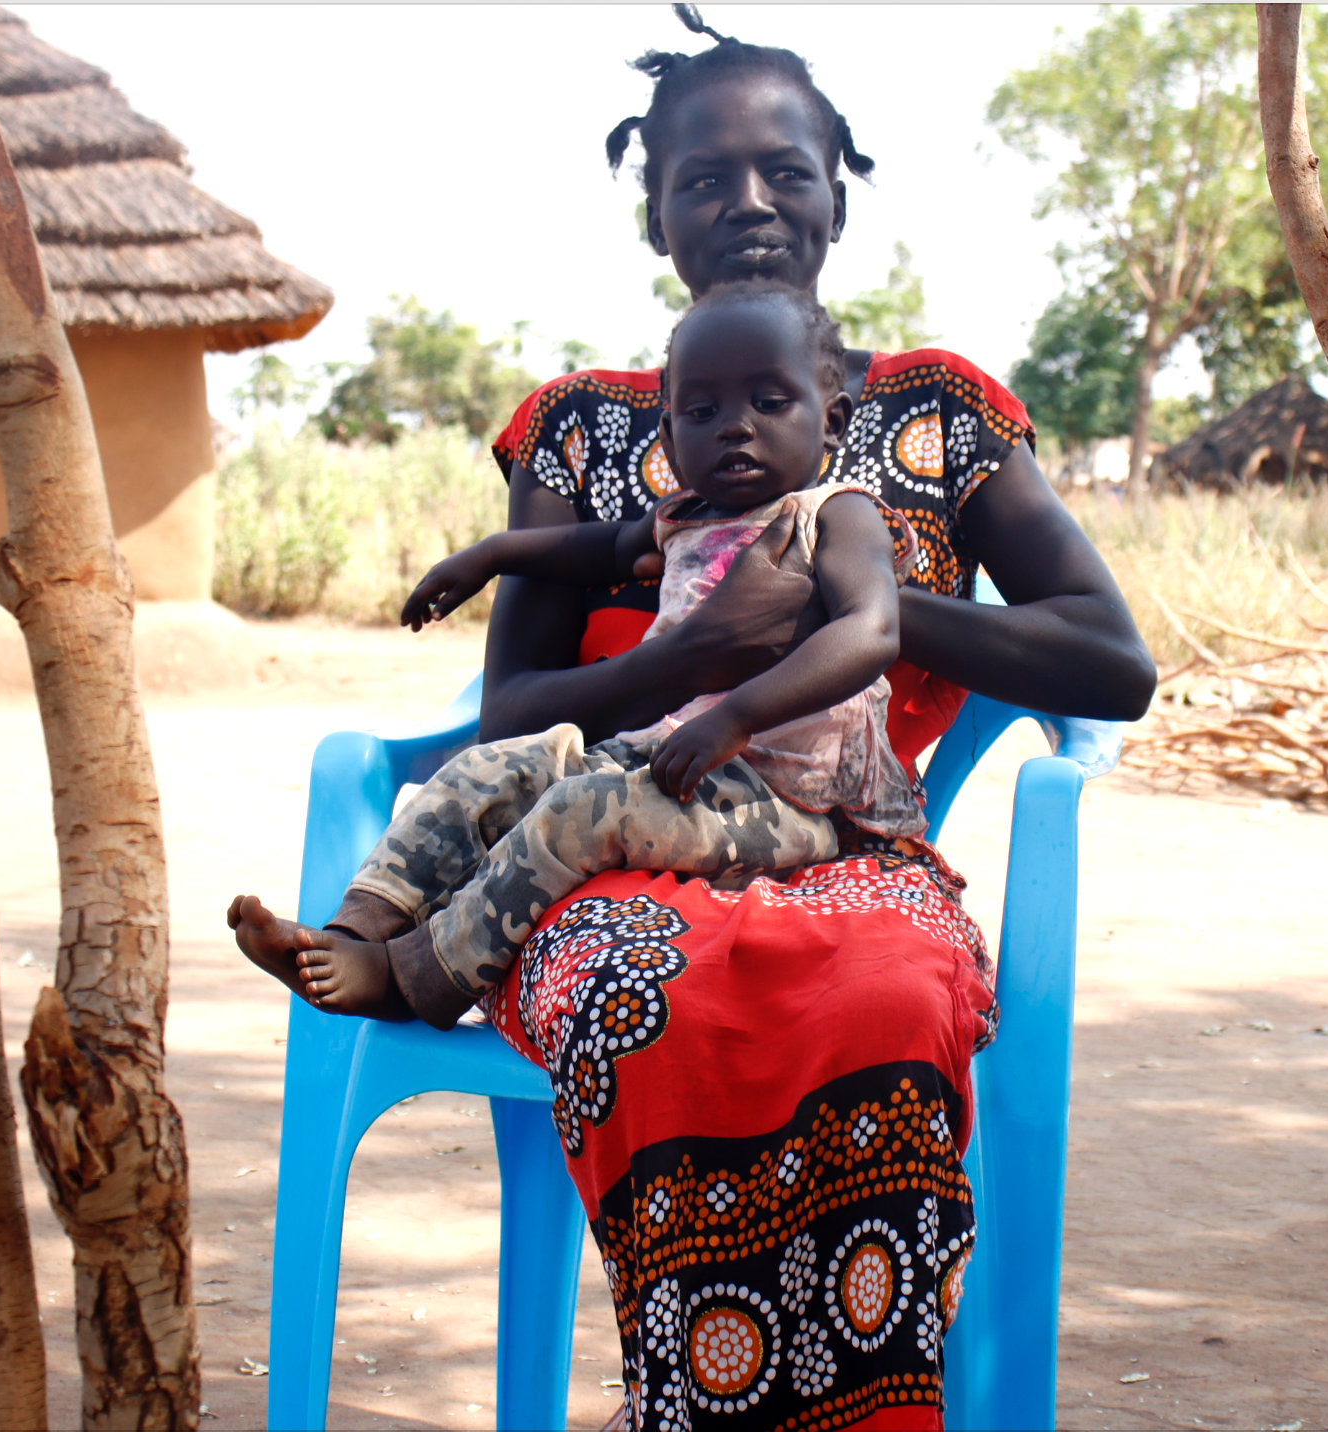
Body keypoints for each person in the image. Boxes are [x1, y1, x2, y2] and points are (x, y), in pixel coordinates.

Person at [238, 9, 1153, 1427]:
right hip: (593, 850)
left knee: (887, 990)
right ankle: (699, 1388)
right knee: (633, 983)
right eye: (703, 180)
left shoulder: (933, 417)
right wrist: (691, 661)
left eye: (784, 171)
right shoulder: (602, 427)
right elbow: (510, 712)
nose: (748, 205)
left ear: (838, 190)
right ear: (654, 213)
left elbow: (1110, 662)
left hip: (836, 842)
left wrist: (878, 618)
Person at [230, 283, 931, 1023]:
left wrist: (737, 719)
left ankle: (413, 979)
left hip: (795, 802)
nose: (736, 428)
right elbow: (593, 546)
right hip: (676, 767)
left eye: (769, 402)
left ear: (833, 421)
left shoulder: (841, 516)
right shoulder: (686, 518)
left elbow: (870, 631)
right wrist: (493, 553)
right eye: (703, 412)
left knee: (582, 811)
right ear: (669, 437)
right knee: (486, 767)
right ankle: (353, 931)